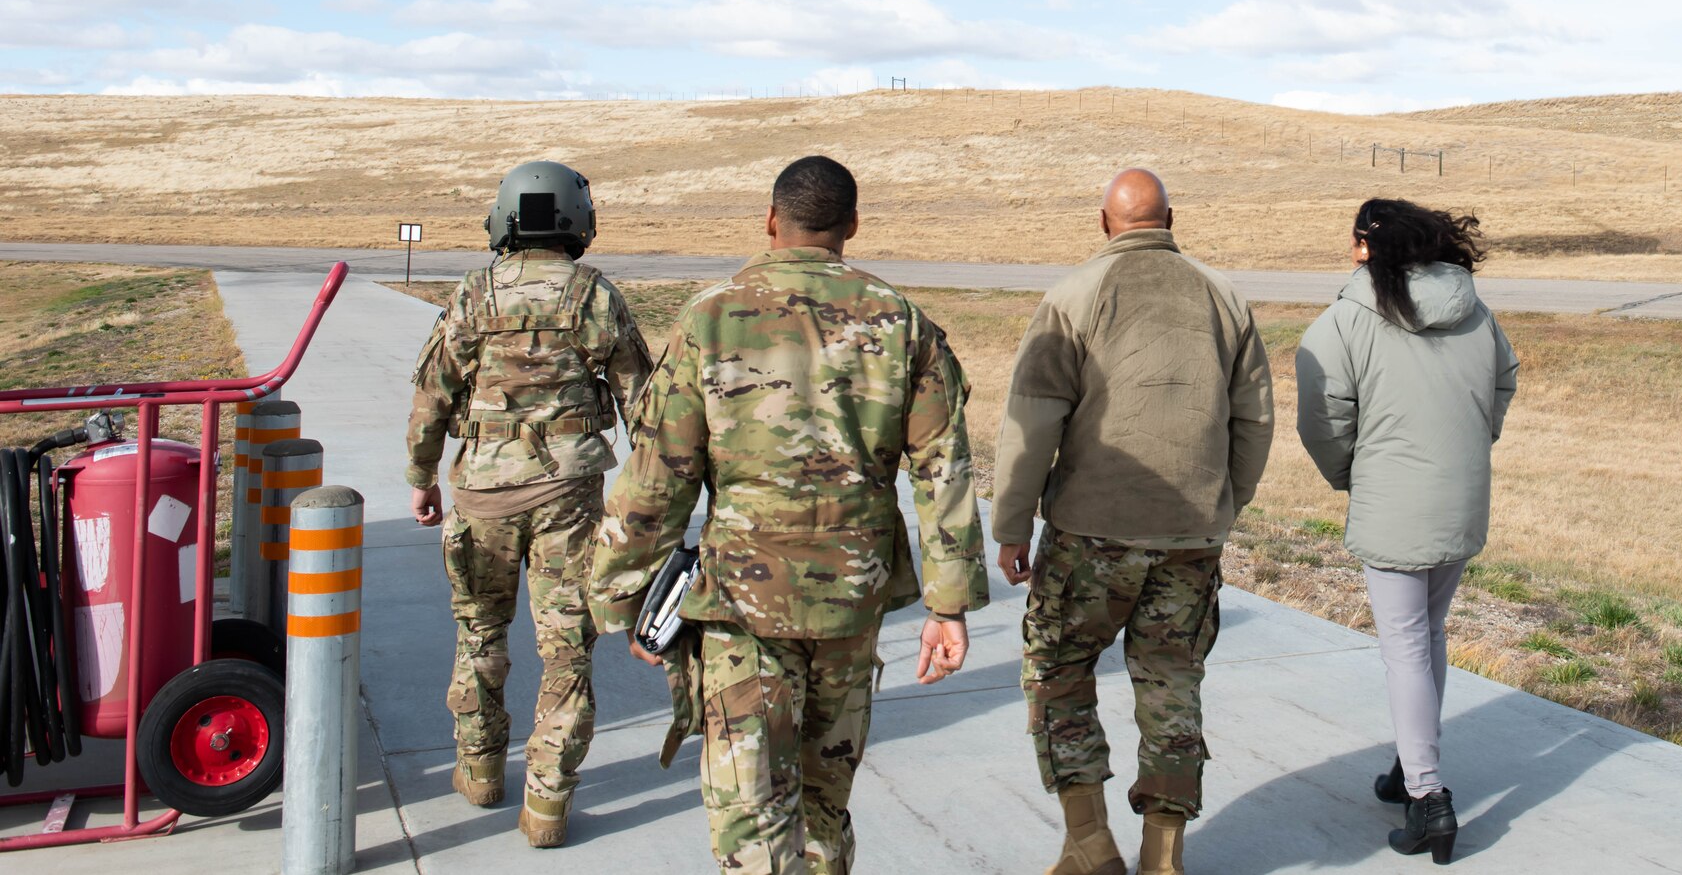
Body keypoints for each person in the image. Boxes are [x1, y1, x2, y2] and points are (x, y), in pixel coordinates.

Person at [588, 154, 989, 873]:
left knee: (751, 819)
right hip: (852, 605)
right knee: (823, 807)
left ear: (772, 221)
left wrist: (622, 594)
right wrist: (949, 604)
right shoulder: (902, 321)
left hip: (745, 606)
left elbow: (658, 475)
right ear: (852, 226)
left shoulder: (710, 318)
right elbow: (944, 471)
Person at [992, 169, 1275, 875]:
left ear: (1103, 222)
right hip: (1191, 536)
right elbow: (1256, 420)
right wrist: (1221, 506)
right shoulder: (1223, 297)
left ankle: (1087, 841)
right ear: (1171, 219)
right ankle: (1163, 856)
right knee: (1172, 681)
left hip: (1091, 534)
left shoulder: (1073, 296)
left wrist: (1010, 523)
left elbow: (1031, 417)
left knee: (1057, 667)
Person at [406, 160, 653, 848]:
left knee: (481, 631)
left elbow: (433, 393)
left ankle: (481, 769)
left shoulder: (472, 293)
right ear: (578, 220)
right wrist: (650, 497)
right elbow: (644, 402)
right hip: (567, 499)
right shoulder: (594, 295)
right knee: (567, 649)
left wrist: (421, 473)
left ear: (504, 217)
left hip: (482, 492)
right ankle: (546, 802)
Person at [1293, 198, 1518, 866]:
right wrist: (1473, 446)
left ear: (1368, 245)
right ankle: (1408, 763)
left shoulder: (1346, 319)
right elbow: (1503, 381)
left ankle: (1428, 797)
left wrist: (1348, 473)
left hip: (1393, 502)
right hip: (1460, 498)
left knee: (1406, 647)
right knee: (1428, 636)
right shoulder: (1474, 310)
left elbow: (1320, 412)